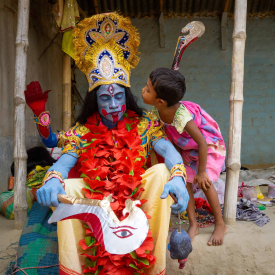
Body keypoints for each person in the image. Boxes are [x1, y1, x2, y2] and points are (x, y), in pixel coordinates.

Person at [24, 13, 189, 275]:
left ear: (127, 95)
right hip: (96, 206)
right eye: (105, 98)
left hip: (137, 202)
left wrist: (178, 175)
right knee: (65, 187)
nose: (113, 105)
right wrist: (53, 179)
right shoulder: (82, 131)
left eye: (118, 96)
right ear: (95, 101)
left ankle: (152, 268)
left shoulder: (144, 122)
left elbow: (167, 150)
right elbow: (66, 161)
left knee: (160, 173)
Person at [142, 67, 227, 246]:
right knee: (184, 180)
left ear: (160, 101)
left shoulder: (182, 116)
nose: (143, 90)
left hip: (208, 146)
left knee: (206, 182)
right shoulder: (157, 113)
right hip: (187, 147)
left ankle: (220, 224)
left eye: (148, 89)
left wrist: (202, 171)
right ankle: (193, 224)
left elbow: (202, 142)